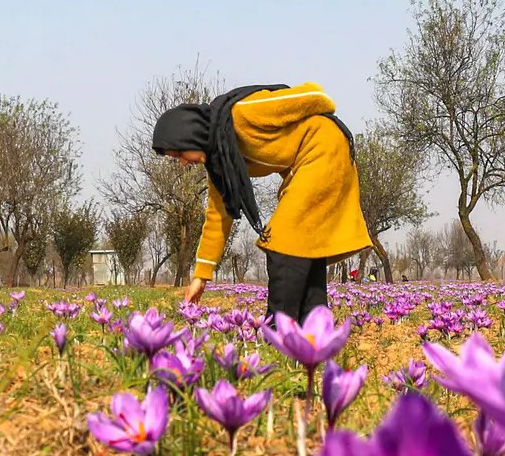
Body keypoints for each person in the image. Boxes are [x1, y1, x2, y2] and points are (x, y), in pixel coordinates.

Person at [150, 83, 370, 323]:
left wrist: (325, 108)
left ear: (189, 134)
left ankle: (280, 328)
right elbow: (216, 218)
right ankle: (315, 326)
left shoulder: (241, 113)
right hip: (303, 164)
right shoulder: (222, 162)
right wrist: (201, 277)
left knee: (282, 242)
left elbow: (311, 94)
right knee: (304, 246)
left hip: (325, 148)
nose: (182, 163)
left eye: (179, 154)